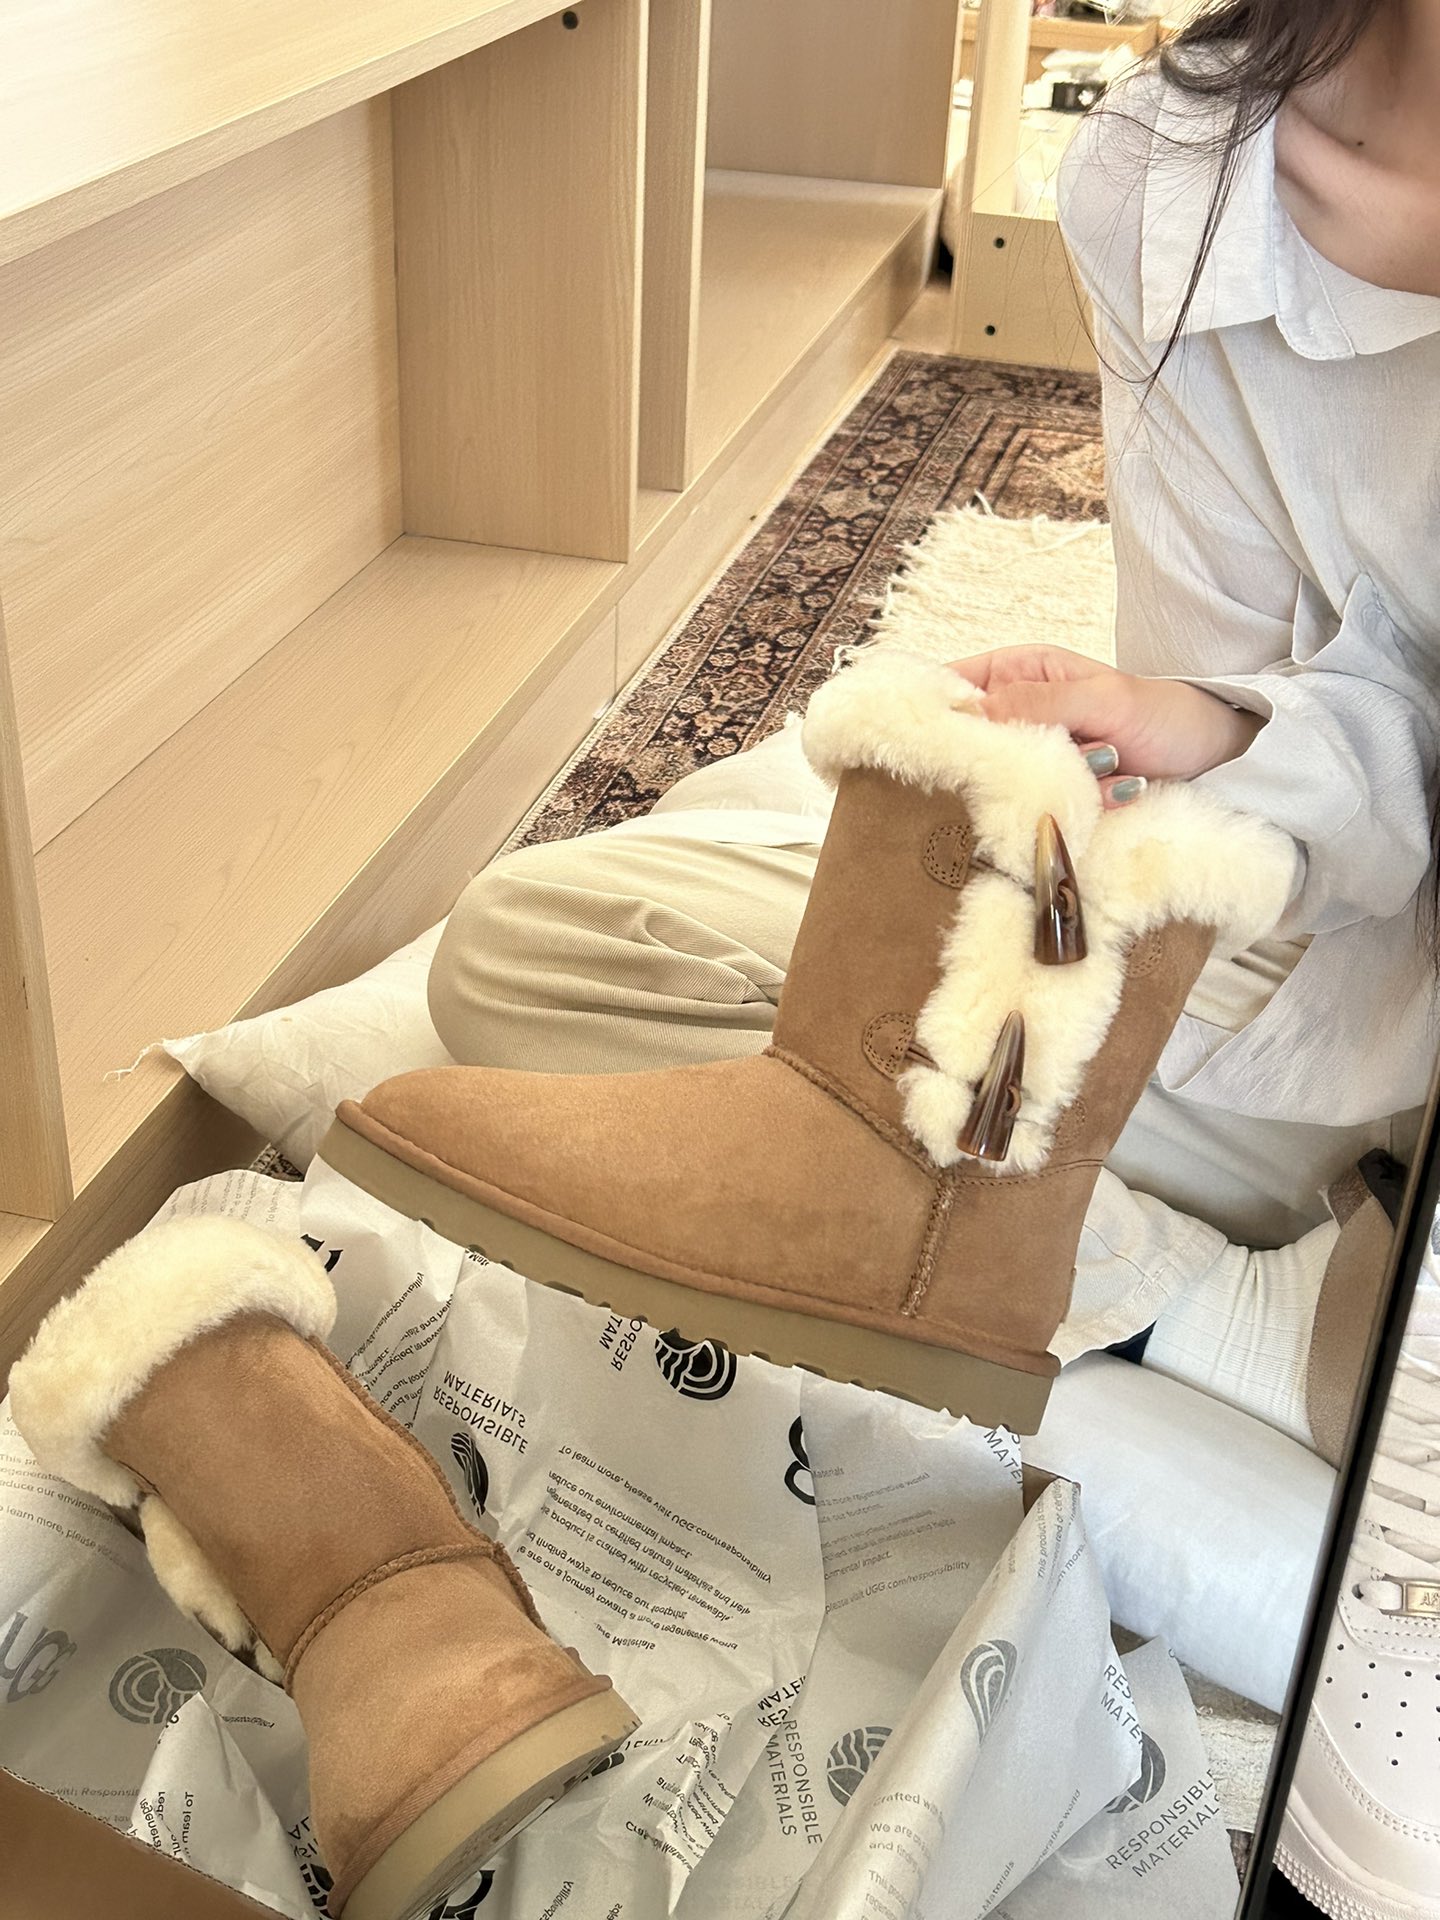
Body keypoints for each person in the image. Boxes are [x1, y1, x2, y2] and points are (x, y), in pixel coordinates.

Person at [424, 4, 1440, 1913]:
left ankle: (1221, 1357)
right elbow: (1248, 817)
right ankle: (1230, 1321)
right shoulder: (1182, 171)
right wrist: (1205, 728)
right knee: (537, 950)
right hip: (1295, 990)